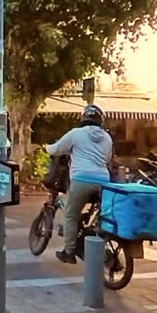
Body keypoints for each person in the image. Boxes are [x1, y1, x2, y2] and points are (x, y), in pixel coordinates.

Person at [45, 104, 114, 264]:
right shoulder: (107, 138)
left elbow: (57, 149)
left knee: (70, 215)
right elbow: (107, 159)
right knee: (99, 214)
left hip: (82, 179)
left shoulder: (76, 134)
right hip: (103, 181)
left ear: (84, 118)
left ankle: (69, 252)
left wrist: (46, 148)